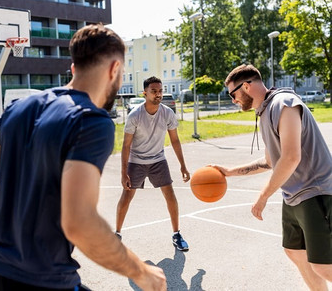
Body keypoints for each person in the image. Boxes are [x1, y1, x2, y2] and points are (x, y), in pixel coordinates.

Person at [0, 24, 166, 291]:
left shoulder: (19, 108)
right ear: (114, 69)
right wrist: (141, 272)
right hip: (40, 279)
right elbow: (80, 223)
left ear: (74, 69)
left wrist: (23, 223)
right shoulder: (91, 121)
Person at [214, 64, 331, 290]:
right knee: (295, 252)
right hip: (295, 195)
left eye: (233, 94)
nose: (233, 100)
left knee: (324, 266)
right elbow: (270, 161)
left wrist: (263, 196)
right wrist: (230, 171)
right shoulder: (266, 112)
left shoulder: (283, 104)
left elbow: (290, 158)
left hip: (317, 192)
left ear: (246, 86)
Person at [115, 76, 191, 251]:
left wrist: (183, 166)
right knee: (126, 196)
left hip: (158, 160)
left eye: (160, 91)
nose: (158, 94)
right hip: (136, 161)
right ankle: (117, 233)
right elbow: (126, 145)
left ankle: (176, 234)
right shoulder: (135, 115)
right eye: (154, 91)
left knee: (170, 195)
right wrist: (123, 172)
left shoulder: (167, 113)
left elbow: (175, 141)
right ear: (145, 93)